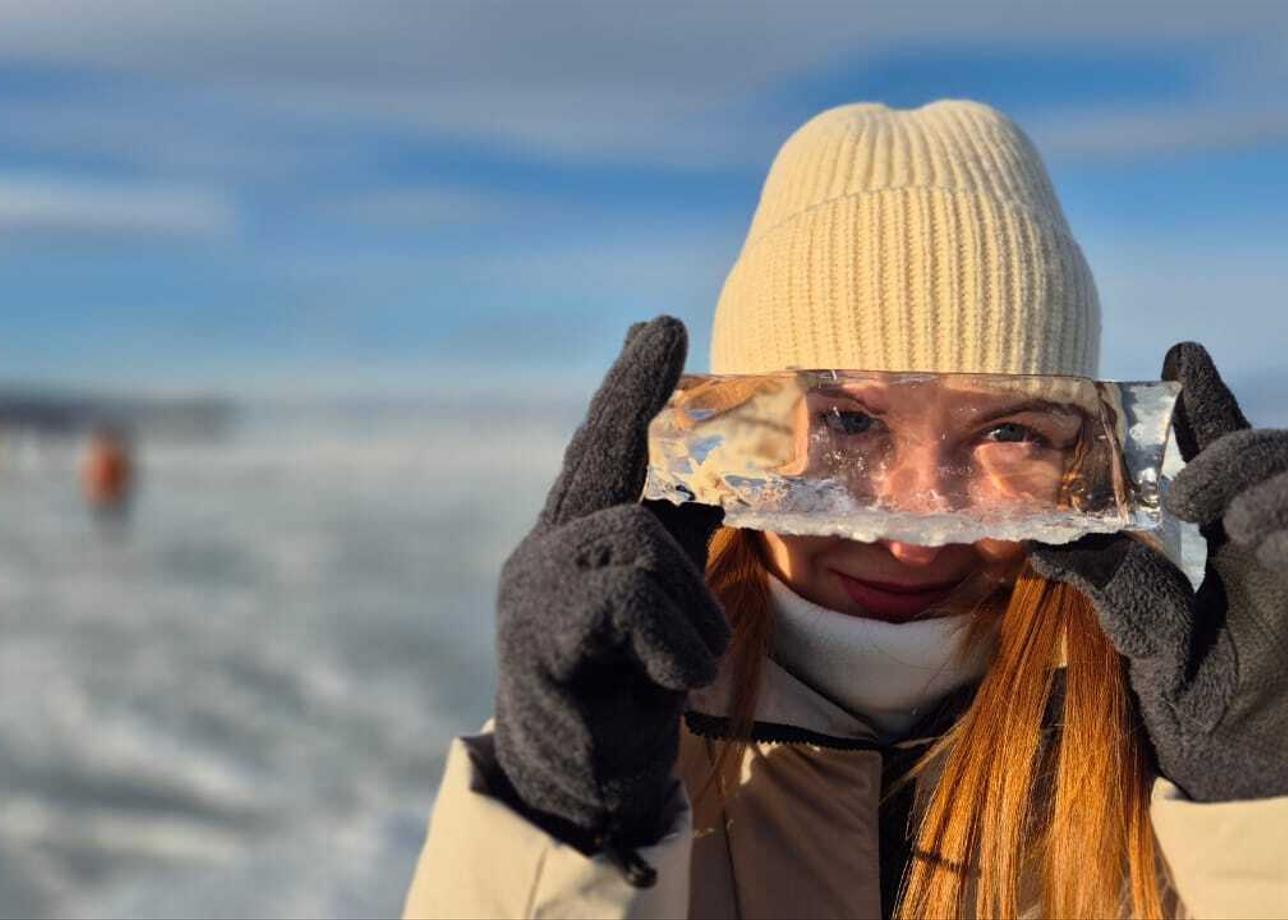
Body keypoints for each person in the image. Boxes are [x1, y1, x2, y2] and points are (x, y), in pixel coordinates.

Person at [402, 101, 1288, 918]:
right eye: (849, 423)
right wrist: (564, 826)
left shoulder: (1182, 739)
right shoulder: (616, 722)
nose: (914, 526)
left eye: (1008, 431)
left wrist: (1258, 808)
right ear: (745, 434)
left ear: (1080, 449)